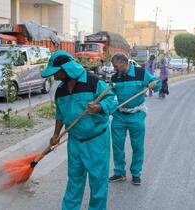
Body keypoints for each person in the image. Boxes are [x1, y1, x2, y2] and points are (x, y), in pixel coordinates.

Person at [42, 50, 118, 210]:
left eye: (56, 72)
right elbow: (60, 114)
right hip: (75, 141)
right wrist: (56, 134)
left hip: (96, 140)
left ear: (67, 69)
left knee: (98, 182)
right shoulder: (60, 90)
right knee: (74, 181)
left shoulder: (93, 82)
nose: (54, 76)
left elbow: (112, 100)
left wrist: (98, 107)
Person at [109, 53, 161, 185]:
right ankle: (119, 172)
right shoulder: (115, 78)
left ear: (123, 62)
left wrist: (153, 84)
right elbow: (110, 96)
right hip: (119, 116)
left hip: (136, 115)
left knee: (137, 146)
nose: (114, 69)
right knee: (117, 146)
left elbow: (157, 84)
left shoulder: (141, 73)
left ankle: (136, 173)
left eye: (115, 66)